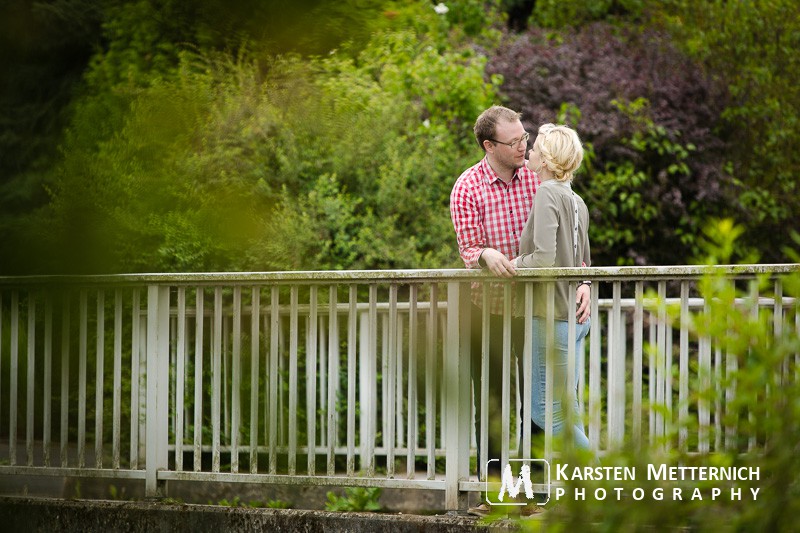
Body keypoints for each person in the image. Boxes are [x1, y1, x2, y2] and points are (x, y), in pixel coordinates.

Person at [450, 107, 591, 513]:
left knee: (540, 404)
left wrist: (583, 283)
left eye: (525, 139)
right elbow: (468, 249)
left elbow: (570, 245)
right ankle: (496, 493)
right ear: (488, 146)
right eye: (513, 142)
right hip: (491, 309)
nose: (523, 146)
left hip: (540, 310)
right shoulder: (468, 187)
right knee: (493, 401)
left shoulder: (540, 178)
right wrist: (487, 254)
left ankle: (534, 493)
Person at [513, 123, 591, 450]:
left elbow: (543, 259)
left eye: (535, 148)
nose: (528, 151)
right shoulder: (576, 200)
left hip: (551, 315)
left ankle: (603, 487)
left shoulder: (546, 192)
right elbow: (584, 263)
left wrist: (511, 264)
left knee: (546, 414)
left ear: (544, 160)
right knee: (566, 410)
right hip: (575, 318)